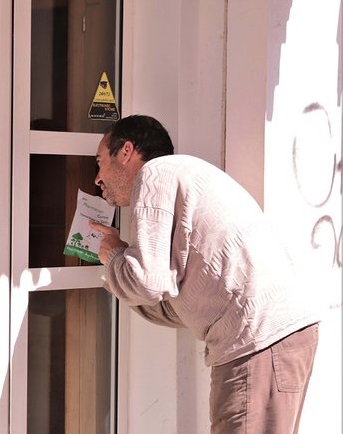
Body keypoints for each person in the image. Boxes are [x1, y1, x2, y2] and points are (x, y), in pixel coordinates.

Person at [89, 114, 320, 433]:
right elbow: (174, 298)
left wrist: (114, 255)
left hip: (257, 339)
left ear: (126, 151)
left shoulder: (154, 173)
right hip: (275, 333)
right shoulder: (184, 176)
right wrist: (120, 274)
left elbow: (147, 283)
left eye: (100, 162)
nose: (97, 179)